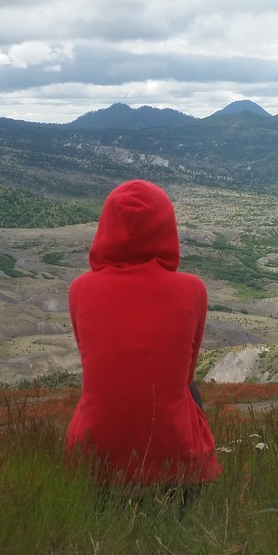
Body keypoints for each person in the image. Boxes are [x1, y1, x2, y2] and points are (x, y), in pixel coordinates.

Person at [65, 179, 221, 488]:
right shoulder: (192, 290)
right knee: (189, 388)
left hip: (95, 469)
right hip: (177, 471)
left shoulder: (80, 289)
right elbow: (185, 373)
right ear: (166, 227)